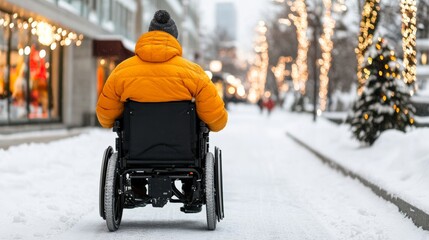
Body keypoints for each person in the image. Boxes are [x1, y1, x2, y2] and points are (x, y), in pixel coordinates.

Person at [96, 10, 228, 213]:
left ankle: (137, 186)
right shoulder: (194, 74)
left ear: (149, 35)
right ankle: (190, 188)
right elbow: (217, 120)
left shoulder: (122, 72)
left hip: (136, 152)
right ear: (174, 38)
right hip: (185, 152)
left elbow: (105, 117)